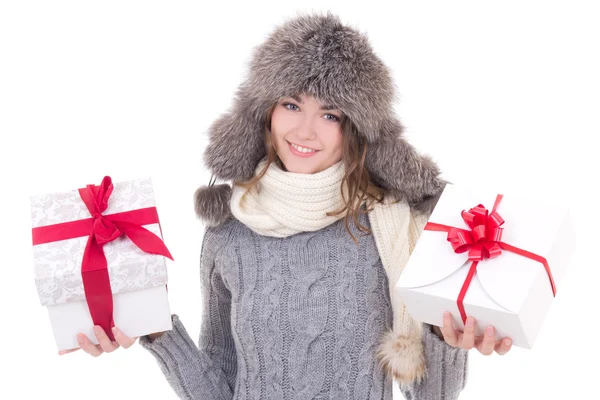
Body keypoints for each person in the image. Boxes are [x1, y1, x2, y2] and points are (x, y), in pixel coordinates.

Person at [60, 12, 513, 399]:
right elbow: (220, 385)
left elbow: (430, 394)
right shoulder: (229, 230)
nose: (305, 131)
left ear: (353, 129)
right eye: (291, 104)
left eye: (330, 113)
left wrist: (445, 337)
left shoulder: (391, 225)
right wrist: (154, 329)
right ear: (265, 113)